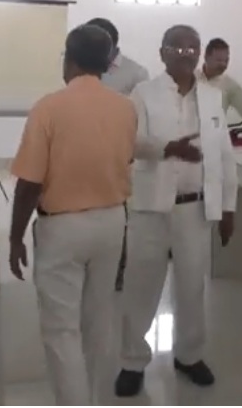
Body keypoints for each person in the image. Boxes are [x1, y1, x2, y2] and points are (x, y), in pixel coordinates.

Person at [9, 24, 137, 405]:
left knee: (61, 330)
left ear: (69, 60)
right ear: (108, 64)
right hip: (112, 223)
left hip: (63, 228)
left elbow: (29, 184)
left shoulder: (49, 108)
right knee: (98, 322)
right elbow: (125, 161)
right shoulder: (125, 109)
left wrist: (15, 237)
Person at [115, 25, 238, 397]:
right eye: (177, 47)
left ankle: (189, 355)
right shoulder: (143, 93)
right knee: (141, 285)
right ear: (162, 52)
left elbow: (225, 155)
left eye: (192, 47)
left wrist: (228, 207)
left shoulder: (213, 97)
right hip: (150, 207)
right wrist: (168, 148)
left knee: (191, 286)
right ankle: (132, 361)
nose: (186, 53)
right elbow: (128, 142)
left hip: (195, 208)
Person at [86, 17, 149, 293]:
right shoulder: (86, 69)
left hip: (120, 156)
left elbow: (140, 119)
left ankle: (118, 272)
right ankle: (90, 267)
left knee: (118, 214)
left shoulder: (136, 74)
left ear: (112, 44)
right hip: (85, 153)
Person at [196, 38, 242, 129]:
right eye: (219, 60)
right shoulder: (189, 78)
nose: (223, 65)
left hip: (214, 135)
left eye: (226, 61)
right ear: (206, 57)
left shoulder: (231, 87)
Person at [86, 17, 150, 96]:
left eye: (97, 48)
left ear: (112, 45)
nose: (92, 52)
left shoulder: (137, 74)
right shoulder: (80, 69)